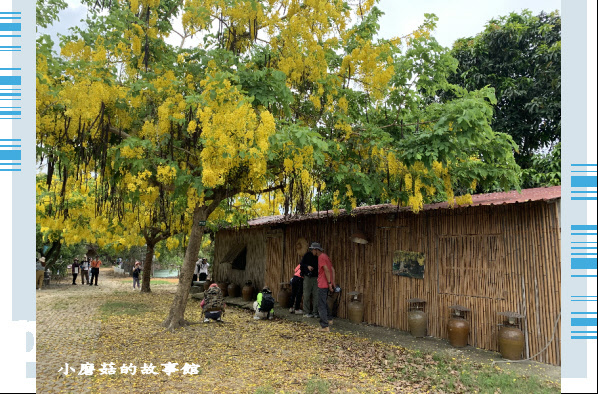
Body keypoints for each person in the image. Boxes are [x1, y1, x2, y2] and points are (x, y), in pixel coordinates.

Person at [309, 242, 336, 332]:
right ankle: (329, 319)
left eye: (312, 249)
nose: (311, 251)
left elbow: (327, 270)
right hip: (326, 283)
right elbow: (332, 269)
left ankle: (324, 326)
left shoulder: (321, 257)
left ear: (316, 250)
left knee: (321, 305)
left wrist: (329, 283)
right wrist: (333, 282)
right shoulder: (326, 256)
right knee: (323, 302)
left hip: (323, 284)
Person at [300, 246, 319, 318]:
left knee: (316, 295)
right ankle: (306, 312)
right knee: (307, 294)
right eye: (315, 250)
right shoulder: (307, 255)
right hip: (308, 277)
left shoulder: (318, 257)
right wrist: (307, 266)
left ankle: (315, 312)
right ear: (312, 250)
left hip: (316, 277)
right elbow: (301, 264)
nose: (316, 251)